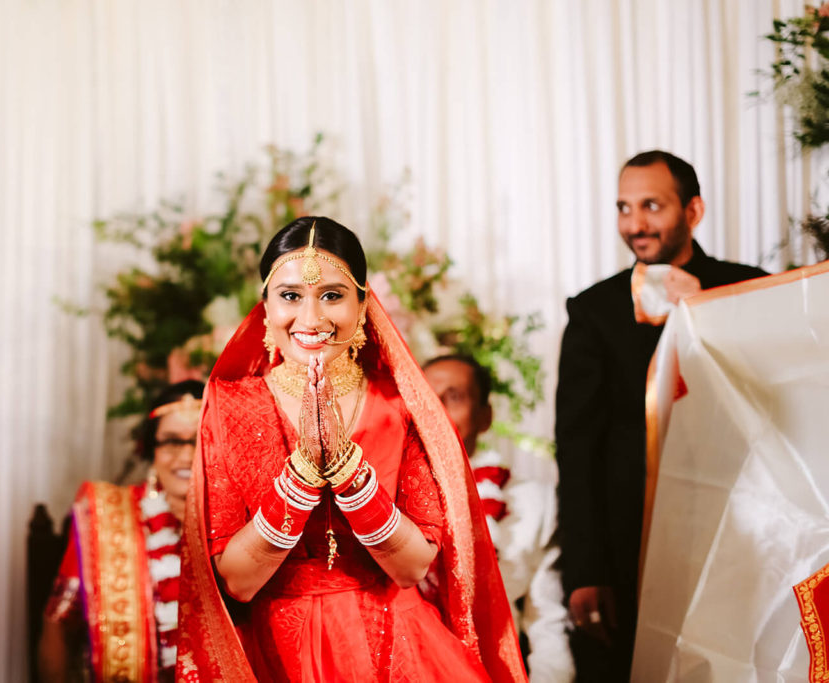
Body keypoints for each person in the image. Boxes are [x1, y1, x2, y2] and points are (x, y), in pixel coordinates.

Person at [176, 217, 526, 682]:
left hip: (397, 646)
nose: (311, 318)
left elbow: (412, 567)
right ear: (264, 306)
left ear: (363, 305)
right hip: (274, 655)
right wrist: (302, 475)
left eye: (333, 295)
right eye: (290, 295)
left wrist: (347, 472)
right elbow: (238, 581)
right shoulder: (230, 404)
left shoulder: (400, 404)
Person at [554, 150, 767, 680]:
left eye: (652, 205)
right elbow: (577, 449)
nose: (636, 224)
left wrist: (710, 314)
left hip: (739, 534)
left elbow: (773, 405)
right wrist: (585, 570)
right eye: (625, 208)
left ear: (693, 211)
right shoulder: (593, 310)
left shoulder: (750, 289)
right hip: (632, 545)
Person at [37, 380, 205, 683]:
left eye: (199, 440)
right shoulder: (110, 515)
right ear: (150, 449)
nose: (186, 456)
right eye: (170, 441)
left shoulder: (244, 523)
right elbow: (58, 623)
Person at [425, 354, 574, 683]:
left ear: (485, 416)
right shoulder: (385, 498)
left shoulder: (535, 502)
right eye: (425, 398)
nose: (436, 410)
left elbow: (547, 621)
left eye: (454, 397)